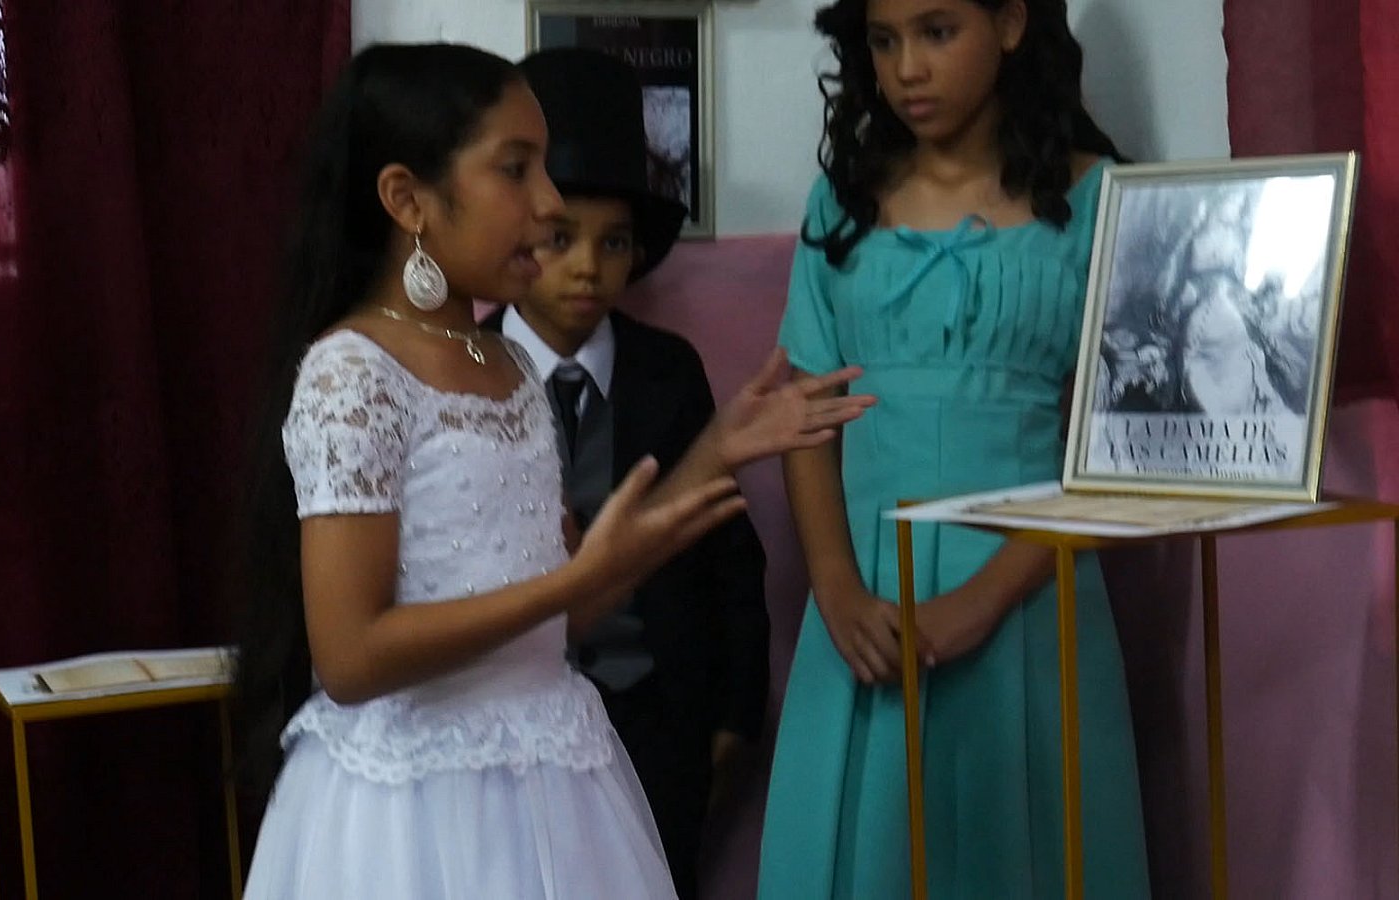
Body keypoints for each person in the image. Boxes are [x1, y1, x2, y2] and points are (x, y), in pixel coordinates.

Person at [233, 43, 872, 899]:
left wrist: (716, 451)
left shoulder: (503, 364)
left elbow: (565, 603)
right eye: (516, 169)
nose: (546, 202)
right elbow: (350, 656)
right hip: (417, 802)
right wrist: (569, 586)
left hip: (551, 769)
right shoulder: (354, 373)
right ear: (408, 199)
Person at [758, 1, 1151, 896]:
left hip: (1031, 588)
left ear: (1010, 23)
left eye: (937, 33)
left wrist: (984, 597)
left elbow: (1121, 448)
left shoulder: (1100, 202)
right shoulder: (842, 204)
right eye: (884, 41)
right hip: (868, 604)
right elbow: (807, 416)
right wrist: (836, 587)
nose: (907, 69)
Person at [478, 47, 770, 898]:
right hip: (513, 728)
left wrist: (734, 713)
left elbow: (725, 547)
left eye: (612, 243)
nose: (587, 267)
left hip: (657, 726)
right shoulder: (465, 369)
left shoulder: (667, 373)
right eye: (560, 239)